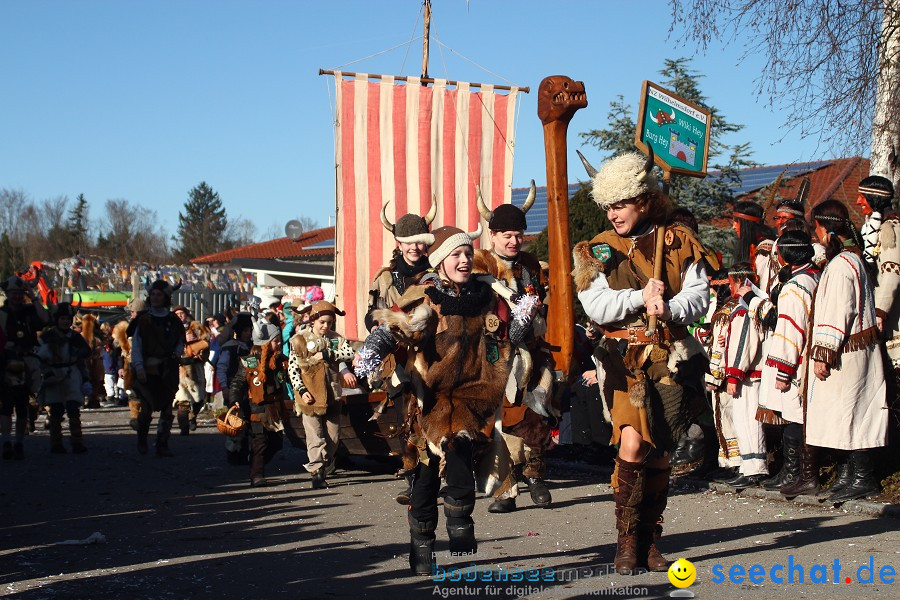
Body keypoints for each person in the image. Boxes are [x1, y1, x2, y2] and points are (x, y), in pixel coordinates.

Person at [354, 223, 537, 575]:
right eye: (455, 254)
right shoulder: (427, 298)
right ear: (439, 261)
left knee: (461, 460)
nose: (464, 259)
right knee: (424, 480)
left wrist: (522, 320)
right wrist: (373, 351)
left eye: (468, 253)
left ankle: (460, 521)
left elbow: (504, 340)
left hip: (472, 397)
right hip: (429, 402)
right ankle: (422, 545)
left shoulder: (487, 296)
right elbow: (394, 327)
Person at [574, 150, 713, 575]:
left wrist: (668, 307)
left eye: (622, 205)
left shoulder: (680, 241)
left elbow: (700, 297)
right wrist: (639, 296)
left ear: (644, 201)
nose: (614, 214)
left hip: (669, 358)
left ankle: (652, 541)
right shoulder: (596, 248)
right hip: (624, 359)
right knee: (633, 443)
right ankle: (626, 543)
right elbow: (594, 304)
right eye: (609, 206)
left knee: (661, 453)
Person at [795, 200, 888, 501]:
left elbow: (837, 312)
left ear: (824, 229)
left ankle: (863, 477)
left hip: (845, 353)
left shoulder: (840, 266)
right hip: (856, 350)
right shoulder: (854, 260)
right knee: (853, 411)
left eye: (817, 229)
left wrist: (823, 354)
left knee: (853, 411)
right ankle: (851, 475)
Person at [473, 181, 555, 512]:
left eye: (518, 234)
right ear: (492, 236)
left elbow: (548, 303)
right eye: (506, 234)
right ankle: (506, 491)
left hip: (533, 350)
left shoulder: (533, 265)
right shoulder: (479, 263)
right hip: (494, 353)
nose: (513, 240)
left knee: (539, 408)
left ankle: (535, 474)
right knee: (498, 421)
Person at [750, 230, 820, 492]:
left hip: (797, 361)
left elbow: (790, 330)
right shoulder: (815, 277)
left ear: (783, 255)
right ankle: (794, 473)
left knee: (793, 417)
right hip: (810, 357)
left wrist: (783, 371)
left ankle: (794, 474)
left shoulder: (794, 287)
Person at [288, 300, 355, 489]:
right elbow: (293, 370)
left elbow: (349, 353)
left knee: (333, 438)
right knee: (315, 436)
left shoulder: (335, 338)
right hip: (310, 395)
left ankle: (324, 462)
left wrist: (328, 355)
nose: (326, 326)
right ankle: (316, 472)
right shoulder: (299, 339)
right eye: (322, 322)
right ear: (313, 320)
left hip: (332, 394)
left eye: (329, 323)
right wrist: (301, 391)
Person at [721, 262, 769, 487]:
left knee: (748, 421)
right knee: (745, 421)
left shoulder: (743, 310)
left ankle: (755, 467)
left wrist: (734, 374)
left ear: (739, 281)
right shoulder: (749, 306)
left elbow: (744, 344)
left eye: (732, 282)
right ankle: (749, 465)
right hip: (749, 374)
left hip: (748, 377)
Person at [127, 280, 186, 456]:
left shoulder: (173, 320)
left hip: (167, 369)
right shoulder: (143, 320)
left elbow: (180, 341)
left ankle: (162, 443)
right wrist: (139, 367)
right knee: (146, 408)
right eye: (153, 294)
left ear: (166, 297)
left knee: (167, 407)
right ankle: (142, 439)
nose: (155, 297)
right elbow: (136, 345)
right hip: (147, 368)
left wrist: (176, 354)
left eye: (159, 294)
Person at [230, 319, 287, 487]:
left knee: (276, 443)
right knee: (259, 441)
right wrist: (234, 400)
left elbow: (292, 374)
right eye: (275, 341)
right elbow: (238, 382)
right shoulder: (250, 361)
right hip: (257, 407)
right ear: (265, 344)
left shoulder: (280, 359)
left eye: (279, 341)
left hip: (275, 408)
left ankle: (252, 460)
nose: (279, 344)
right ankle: (256, 475)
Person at [0, 276, 49, 459]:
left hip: (27, 361)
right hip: (7, 361)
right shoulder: (1, 313)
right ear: (7, 294)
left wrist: (33, 296)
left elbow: (45, 319)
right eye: (14, 293)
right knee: (6, 404)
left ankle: (19, 442)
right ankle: (6, 441)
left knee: (22, 405)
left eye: (20, 293)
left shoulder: (29, 310)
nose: (17, 296)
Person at [35, 303, 92, 454]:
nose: (65, 321)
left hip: (71, 374)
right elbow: (39, 357)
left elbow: (86, 352)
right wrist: (47, 373)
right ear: (57, 319)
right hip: (54, 374)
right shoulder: (47, 337)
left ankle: (77, 442)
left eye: (68, 318)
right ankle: (56, 443)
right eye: (62, 318)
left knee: (73, 408)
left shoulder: (75, 336)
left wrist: (84, 374)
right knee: (56, 411)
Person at [216, 312, 254, 465]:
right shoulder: (230, 347)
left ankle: (246, 453)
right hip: (234, 390)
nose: (248, 333)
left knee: (250, 424)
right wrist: (225, 387)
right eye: (245, 330)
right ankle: (232, 452)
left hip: (250, 391)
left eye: (250, 330)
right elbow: (221, 368)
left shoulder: (253, 347)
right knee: (235, 422)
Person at [174, 319, 210, 435]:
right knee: (183, 401)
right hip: (181, 372)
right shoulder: (174, 333)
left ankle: (192, 416)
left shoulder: (197, 333)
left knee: (199, 399)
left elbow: (205, 354)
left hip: (197, 372)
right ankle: (183, 427)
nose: (180, 316)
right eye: (178, 314)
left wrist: (200, 354)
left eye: (182, 313)